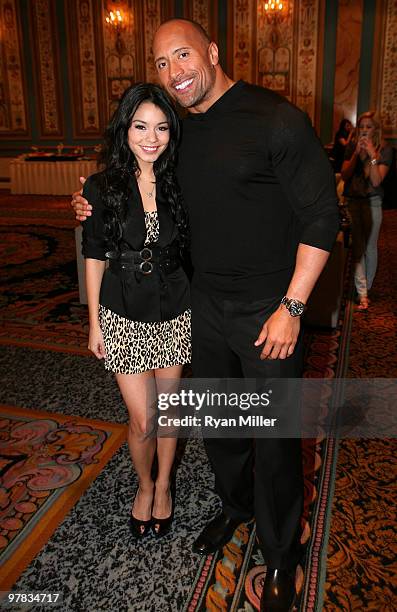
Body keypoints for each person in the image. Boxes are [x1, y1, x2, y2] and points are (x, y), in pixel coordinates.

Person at [72, 19, 339, 611]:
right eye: (162, 63)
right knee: (222, 429)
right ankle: (235, 507)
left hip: (270, 312)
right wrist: (91, 199)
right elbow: (137, 182)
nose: (175, 72)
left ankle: (279, 557)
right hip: (202, 311)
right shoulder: (180, 133)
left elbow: (323, 215)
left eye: (184, 55)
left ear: (213, 52)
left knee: (274, 439)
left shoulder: (275, 118)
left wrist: (293, 306)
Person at [81, 83, 191, 539]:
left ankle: (163, 485)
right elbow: (92, 253)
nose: (151, 137)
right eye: (141, 126)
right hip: (122, 311)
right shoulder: (101, 185)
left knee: (168, 412)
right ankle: (143, 484)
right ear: (124, 128)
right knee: (143, 418)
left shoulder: (180, 180)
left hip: (176, 308)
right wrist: (93, 323)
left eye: (162, 127)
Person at [341, 111, 392, 310]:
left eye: (368, 127)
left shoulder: (385, 150)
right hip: (353, 201)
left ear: (376, 129)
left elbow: (376, 180)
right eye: (361, 126)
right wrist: (355, 153)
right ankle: (362, 293)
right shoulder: (352, 146)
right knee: (358, 247)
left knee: (370, 247)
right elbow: (345, 175)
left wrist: (372, 155)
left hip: (373, 202)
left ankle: (367, 288)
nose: (364, 130)